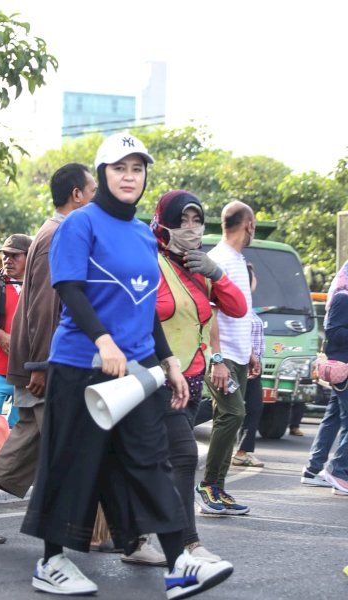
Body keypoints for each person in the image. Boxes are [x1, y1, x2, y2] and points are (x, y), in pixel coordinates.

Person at [20, 133, 233, 598]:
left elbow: (144, 305)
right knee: (72, 462)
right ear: (103, 174)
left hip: (137, 370)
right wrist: (103, 340)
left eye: (137, 169)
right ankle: (51, 562)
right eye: (120, 168)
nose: (129, 176)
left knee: (150, 461)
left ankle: (179, 564)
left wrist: (168, 359)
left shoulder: (141, 234)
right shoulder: (80, 224)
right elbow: (69, 289)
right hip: (81, 365)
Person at [0, 163, 96, 543]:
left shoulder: (54, 233)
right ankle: (89, 532)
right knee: (76, 445)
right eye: (93, 192)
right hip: (48, 364)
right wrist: (42, 365)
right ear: (76, 195)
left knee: (27, 439)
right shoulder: (57, 235)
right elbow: (47, 306)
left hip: (43, 361)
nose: (97, 199)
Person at [133, 189, 246, 565]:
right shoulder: (148, 262)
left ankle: (134, 538)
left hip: (193, 380)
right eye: (182, 220)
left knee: (155, 461)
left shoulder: (200, 266)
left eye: (197, 220)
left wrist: (216, 273)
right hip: (156, 379)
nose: (192, 227)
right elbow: (137, 317)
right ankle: (188, 544)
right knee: (184, 456)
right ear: (163, 223)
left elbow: (236, 309)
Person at [195, 201, 258, 516]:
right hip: (222, 357)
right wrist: (217, 359)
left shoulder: (237, 260)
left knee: (230, 418)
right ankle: (208, 486)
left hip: (238, 355)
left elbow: (241, 314)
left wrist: (250, 351)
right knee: (233, 414)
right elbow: (210, 314)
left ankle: (218, 488)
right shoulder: (217, 260)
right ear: (249, 225)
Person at [301, 261, 348, 495]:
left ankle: (313, 470)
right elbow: (333, 332)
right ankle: (339, 472)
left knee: (332, 418)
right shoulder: (343, 298)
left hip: (342, 367)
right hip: (343, 367)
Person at [0, 233, 31, 427]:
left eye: (15, 256)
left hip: (28, 370)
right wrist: (2, 336)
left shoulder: (39, 285)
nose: (8, 260)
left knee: (21, 422)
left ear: (29, 256)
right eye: (5, 255)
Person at [233, 263, 266, 468]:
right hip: (240, 363)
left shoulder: (248, 303)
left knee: (252, 407)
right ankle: (174, 425)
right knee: (221, 406)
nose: (256, 280)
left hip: (250, 365)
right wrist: (249, 356)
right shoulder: (238, 302)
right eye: (253, 276)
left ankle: (242, 452)